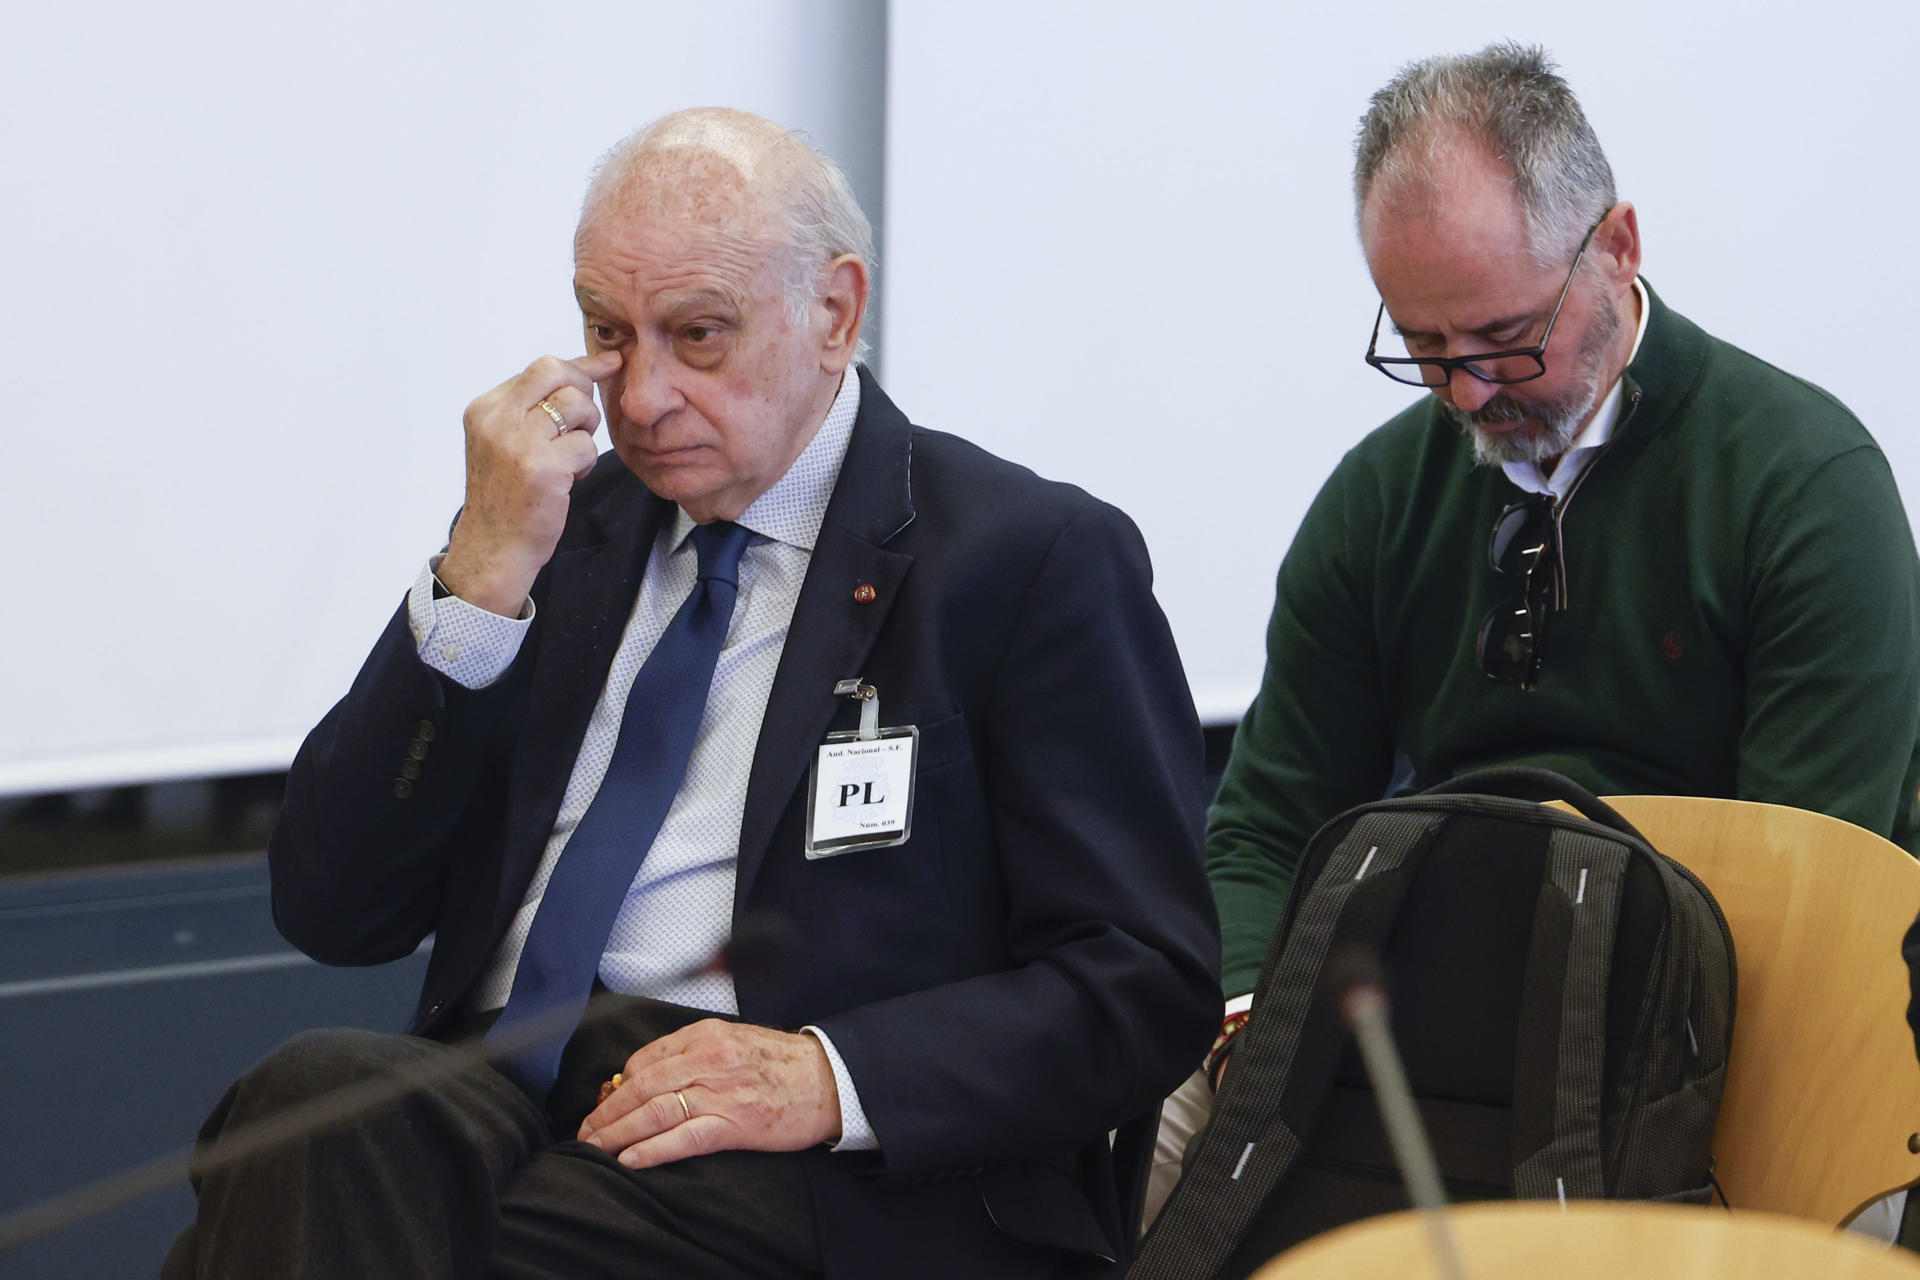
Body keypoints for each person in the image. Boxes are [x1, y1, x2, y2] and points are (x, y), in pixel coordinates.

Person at [161, 108, 1220, 1280]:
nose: (643, 395)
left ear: (835, 311)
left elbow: (1143, 981)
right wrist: (475, 583)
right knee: (315, 1100)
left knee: (291, 1225)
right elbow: (333, 905)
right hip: (496, 1103)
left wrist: (826, 1074)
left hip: (808, 1165)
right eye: (608, 334)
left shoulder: (1024, 559)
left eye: (698, 335)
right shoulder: (552, 533)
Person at [1148, 42, 1920, 1221]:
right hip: (1443, 1016)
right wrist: (1246, 1023)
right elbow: (1263, 825)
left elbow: (1809, 896)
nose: (1465, 391)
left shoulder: (1804, 485)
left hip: (1712, 1026)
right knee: (1131, 1134)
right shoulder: (1381, 496)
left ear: (1618, 248)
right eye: (1423, 346)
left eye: (1505, 337)